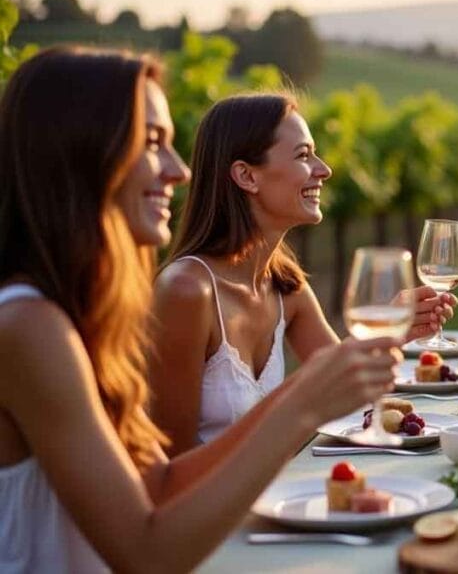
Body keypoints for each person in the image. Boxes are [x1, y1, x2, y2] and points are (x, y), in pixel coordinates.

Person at [0, 47, 398, 572]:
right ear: (81, 153)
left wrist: (301, 398)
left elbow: (159, 484)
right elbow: (146, 552)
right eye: (152, 144)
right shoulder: (27, 325)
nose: (181, 170)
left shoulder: (77, 317)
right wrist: (298, 406)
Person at [149, 93, 457, 455]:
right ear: (247, 175)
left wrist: (391, 330)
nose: (324, 169)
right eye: (303, 155)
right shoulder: (186, 291)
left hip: (276, 491)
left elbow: (342, 385)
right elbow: (169, 461)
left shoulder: (284, 284)